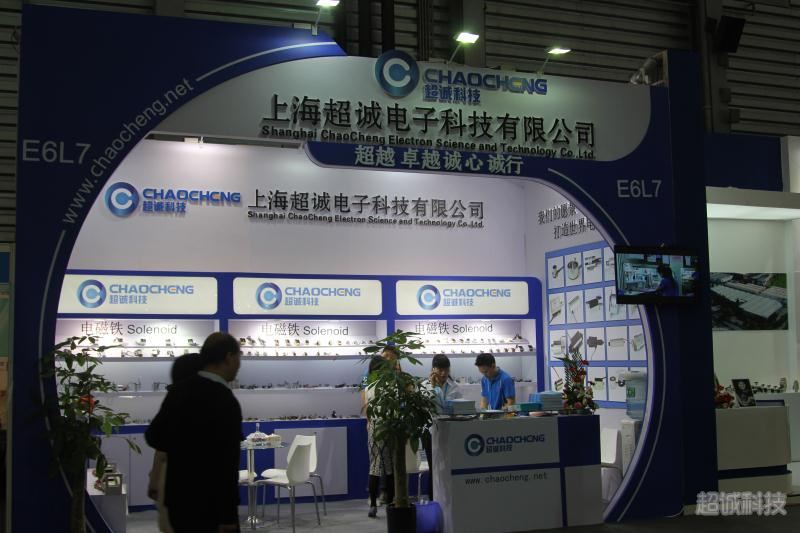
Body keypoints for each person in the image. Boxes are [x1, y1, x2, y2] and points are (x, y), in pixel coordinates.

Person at [145, 333, 243, 533]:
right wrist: (228, 516)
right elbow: (227, 463)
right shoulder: (225, 400)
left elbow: (154, 436)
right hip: (211, 506)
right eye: (238, 357)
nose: (239, 365)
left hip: (178, 500)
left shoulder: (179, 391)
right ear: (228, 357)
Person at [147, 353, 204, 533]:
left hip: (171, 483)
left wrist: (154, 481)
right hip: (195, 485)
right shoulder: (205, 401)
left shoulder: (174, 400)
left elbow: (158, 443)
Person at [421, 354, 461, 500]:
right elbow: (430, 407)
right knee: (434, 467)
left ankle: (448, 498)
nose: (444, 373)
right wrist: (434, 387)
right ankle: (433, 499)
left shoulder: (454, 386)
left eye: (446, 370)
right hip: (430, 431)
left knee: (448, 466)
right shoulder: (425, 386)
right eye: (440, 370)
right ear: (433, 369)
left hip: (449, 430)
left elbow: (457, 407)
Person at [362, 354, 395, 518]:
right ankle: (390, 504)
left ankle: (373, 505)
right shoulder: (390, 385)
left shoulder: (368, 387)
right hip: (388, 427)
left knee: (374, 467)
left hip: (374, 428)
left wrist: (370, 423)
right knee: (388, 467)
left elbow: (367, 410)